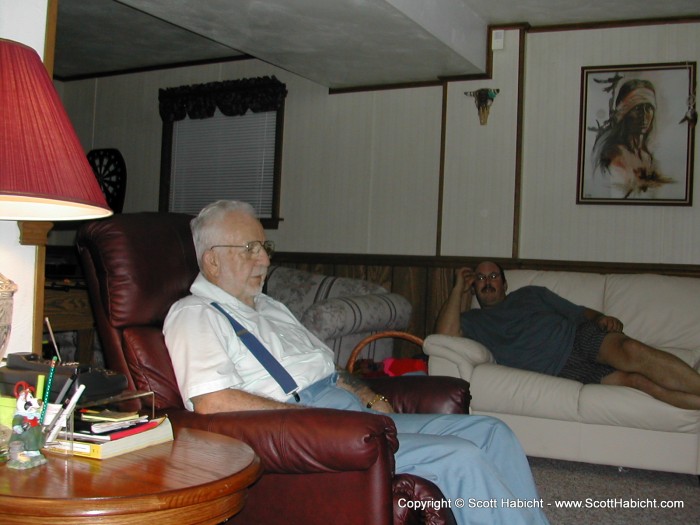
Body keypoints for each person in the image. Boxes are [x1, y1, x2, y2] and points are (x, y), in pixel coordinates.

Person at [164, 200, 549, 525]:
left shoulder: (271, 307)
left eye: (265, 247)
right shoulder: (196, 314)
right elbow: (212, 403)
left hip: (352, 415)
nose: (264, 258)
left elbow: (327, 369)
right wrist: (309, 420)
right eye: (250, 248)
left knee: (491, 432)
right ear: (212, 261)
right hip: (312, 431)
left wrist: (367, 395)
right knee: (460, 457)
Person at [435, 261, 700, 410]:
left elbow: (579, 312)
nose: (488, 281)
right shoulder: (472, 321)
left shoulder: (531, 294)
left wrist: (600, 318)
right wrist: (458, 288)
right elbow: (443, 337)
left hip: (578, 338)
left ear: (505, 284)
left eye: (493, 275)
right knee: (639, 383)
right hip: (565, 371)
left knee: (630, 351)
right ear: (474, 287)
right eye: (480, 278)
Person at [591, 78, 672, 198]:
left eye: (648, 108)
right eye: (638, 108)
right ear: (625, 113)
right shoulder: (616, 155)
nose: (644, 115)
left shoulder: (647, 157)